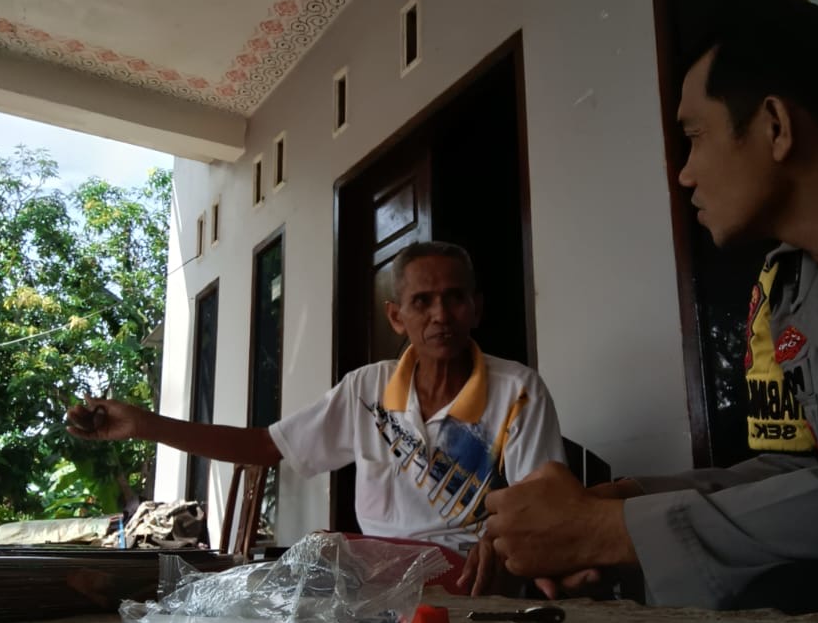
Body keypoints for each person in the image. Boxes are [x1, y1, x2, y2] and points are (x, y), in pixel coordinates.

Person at [479, 0, 818, 614]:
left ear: (775, 125)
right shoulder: (793, 286)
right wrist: (620, 502)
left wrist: (607, 532)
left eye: (694, 137)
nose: (684, 174)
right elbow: (817, 473)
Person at [68, 241, 566, 591]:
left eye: (454, 298)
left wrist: (500, 541)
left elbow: (544, 504)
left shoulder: (518, 390)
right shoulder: (366, 389)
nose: (440, 314)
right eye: (422, 301)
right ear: (397, 317)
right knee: (304, 559)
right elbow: (266, 446)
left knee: (310, 566)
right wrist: (145, 425)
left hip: (469, 571)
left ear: (476, 308)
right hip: (376, 571)